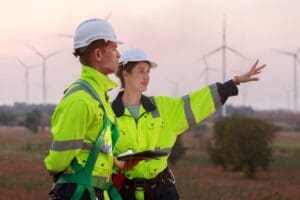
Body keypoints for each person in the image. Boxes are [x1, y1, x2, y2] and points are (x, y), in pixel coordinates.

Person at [111, 48, 266, 200]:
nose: (146, 77)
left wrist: (233, 83)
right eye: (141, 71)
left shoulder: (164, 107)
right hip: (123, 192)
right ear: (125, 73)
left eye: (148, 71)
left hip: (161, 191)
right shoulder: (108, 114)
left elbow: (198, 103)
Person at [44, 18, 131, 200]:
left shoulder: (98, 96)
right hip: (79, 193)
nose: (119, 54)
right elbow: (57, 162)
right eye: (114, 48)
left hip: (96, 193)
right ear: (98, 54)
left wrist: (118, 163)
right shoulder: (80, 100)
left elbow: (94, 149)